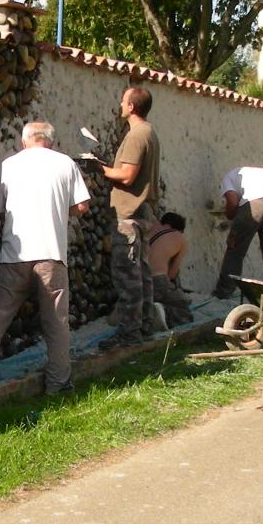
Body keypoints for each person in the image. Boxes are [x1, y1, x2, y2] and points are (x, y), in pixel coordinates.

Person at [0, 121, 91, 394]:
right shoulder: (65, 163)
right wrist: (59, 211)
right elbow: (82, 206)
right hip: (51, 254)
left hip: (14, 254)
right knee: (56, 323)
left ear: (25, 141)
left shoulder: (9, 165)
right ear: (50, 140)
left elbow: (0, 210)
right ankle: (58, 384)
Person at [98, 87, 160, 349]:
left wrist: (98, 167)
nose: (120, 104)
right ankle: (144, 325)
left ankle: (129, 333)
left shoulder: (137, 135)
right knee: (142, 273)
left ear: (132, 107)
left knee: (127, 275)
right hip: (142, 210)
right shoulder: (150, 132)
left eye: (123, 101)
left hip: (129, 214)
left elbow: (127, 175)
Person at [212, 165, 263, 298]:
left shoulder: (228, 177)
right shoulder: (261, 173)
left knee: (235, 247)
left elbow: (233, 202)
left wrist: (230, 216)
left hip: (253, 203)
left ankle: (224, 290)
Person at [148, 212, 193, 327]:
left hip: (134, 281)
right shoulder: (179, 238)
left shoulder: (150, 229)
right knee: (184, 311)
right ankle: (163, 310)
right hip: (156, 281)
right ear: (178, 229)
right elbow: (172, 274)